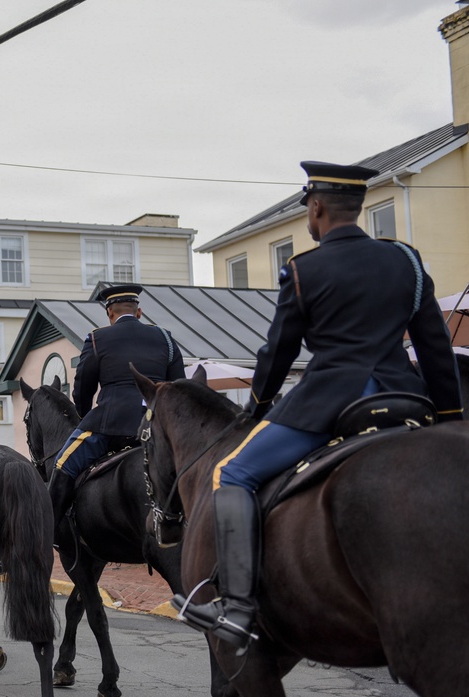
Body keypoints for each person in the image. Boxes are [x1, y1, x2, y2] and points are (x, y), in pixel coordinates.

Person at [174, 161, 465, 651]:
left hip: (329, 402)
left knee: (233, 474)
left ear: (316, 207)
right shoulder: (408, 263)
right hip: (403, 398)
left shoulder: (303, 269)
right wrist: (453, 420)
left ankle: (239, 609)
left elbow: (278, 351)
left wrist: (260, 407)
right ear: (359, 206)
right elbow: (435, 347)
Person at [48, 283, 185, 531]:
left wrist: (87, 416)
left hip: (109, 426)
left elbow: (83, 387)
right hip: (156, 428)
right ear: (139, 312)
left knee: (62, 465)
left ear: (109, 314)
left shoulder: (97, 338)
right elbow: (179, 387)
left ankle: (48, 534)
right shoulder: (165, 337)